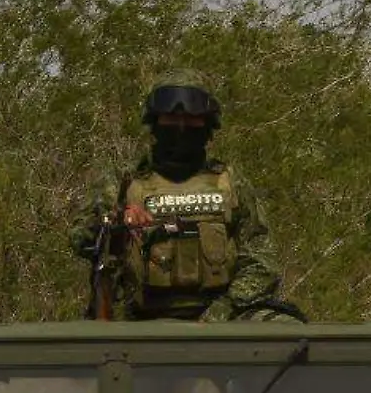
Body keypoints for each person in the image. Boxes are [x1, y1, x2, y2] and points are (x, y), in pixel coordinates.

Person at [73, 69, 304, 323]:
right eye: (171, 118)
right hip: (137, 321)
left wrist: (218, 313)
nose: (180, 127)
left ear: (207, 124)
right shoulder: (122, 183)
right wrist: (116, 221)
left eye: (191, 119)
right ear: (155, 122)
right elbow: (80, 239)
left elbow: (262, 262)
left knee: (286, 329)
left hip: (222, 316)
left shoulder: (230, 183)